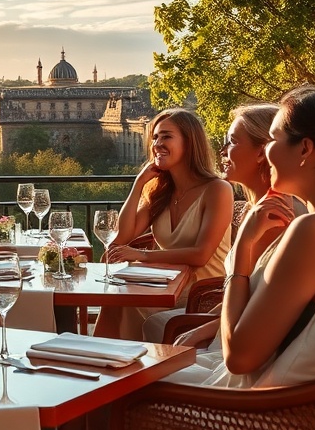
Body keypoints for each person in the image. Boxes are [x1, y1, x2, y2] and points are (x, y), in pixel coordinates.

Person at [173, 87, 315, 388]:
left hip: (266, 411)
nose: (267, 151)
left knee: (109, 385)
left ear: (305, 149)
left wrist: (242, 251)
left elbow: (239, 359)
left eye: (274, 138)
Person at [142, 104, 299, 345]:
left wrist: (200, 330)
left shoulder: (275, 214)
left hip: (244, 341)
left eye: (232, 142)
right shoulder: (256, 208)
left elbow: (263, 303)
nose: (223, 151)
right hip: (232, 323)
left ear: (261, 153)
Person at [93, 108, 234, 340]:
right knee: (115, 299)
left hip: (203, 292)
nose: (157, 143)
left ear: (190, 143)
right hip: (166, 284)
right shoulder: (161, 193)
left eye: (166, 136)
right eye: (155, 137)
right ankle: (102, 365)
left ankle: (128, 365)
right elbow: (121, 238)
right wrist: (138, 185)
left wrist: (141, 255)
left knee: (125, 301)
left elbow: (201, 255)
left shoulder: (217, 189)